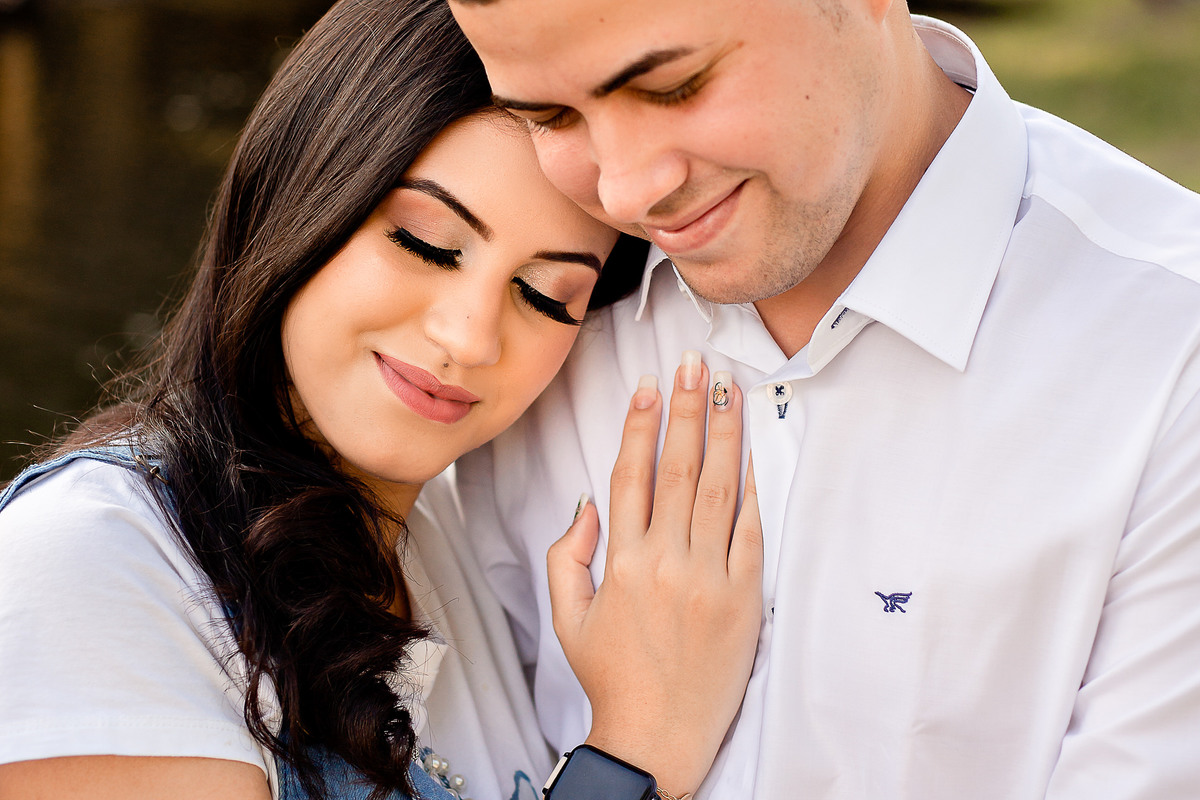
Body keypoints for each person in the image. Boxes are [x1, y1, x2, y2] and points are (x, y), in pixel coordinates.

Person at [0, 1, 763, 799]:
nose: (470, 336)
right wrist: (635, 755)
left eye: (545, 295)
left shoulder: (453, 566)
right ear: (298, 193)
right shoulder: (92, 562)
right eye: (425, 242)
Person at [447, 0, 1200, 798]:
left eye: (674, 86)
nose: (627, 192)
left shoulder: (1171, 353)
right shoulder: (513, 336)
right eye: (550, 115)